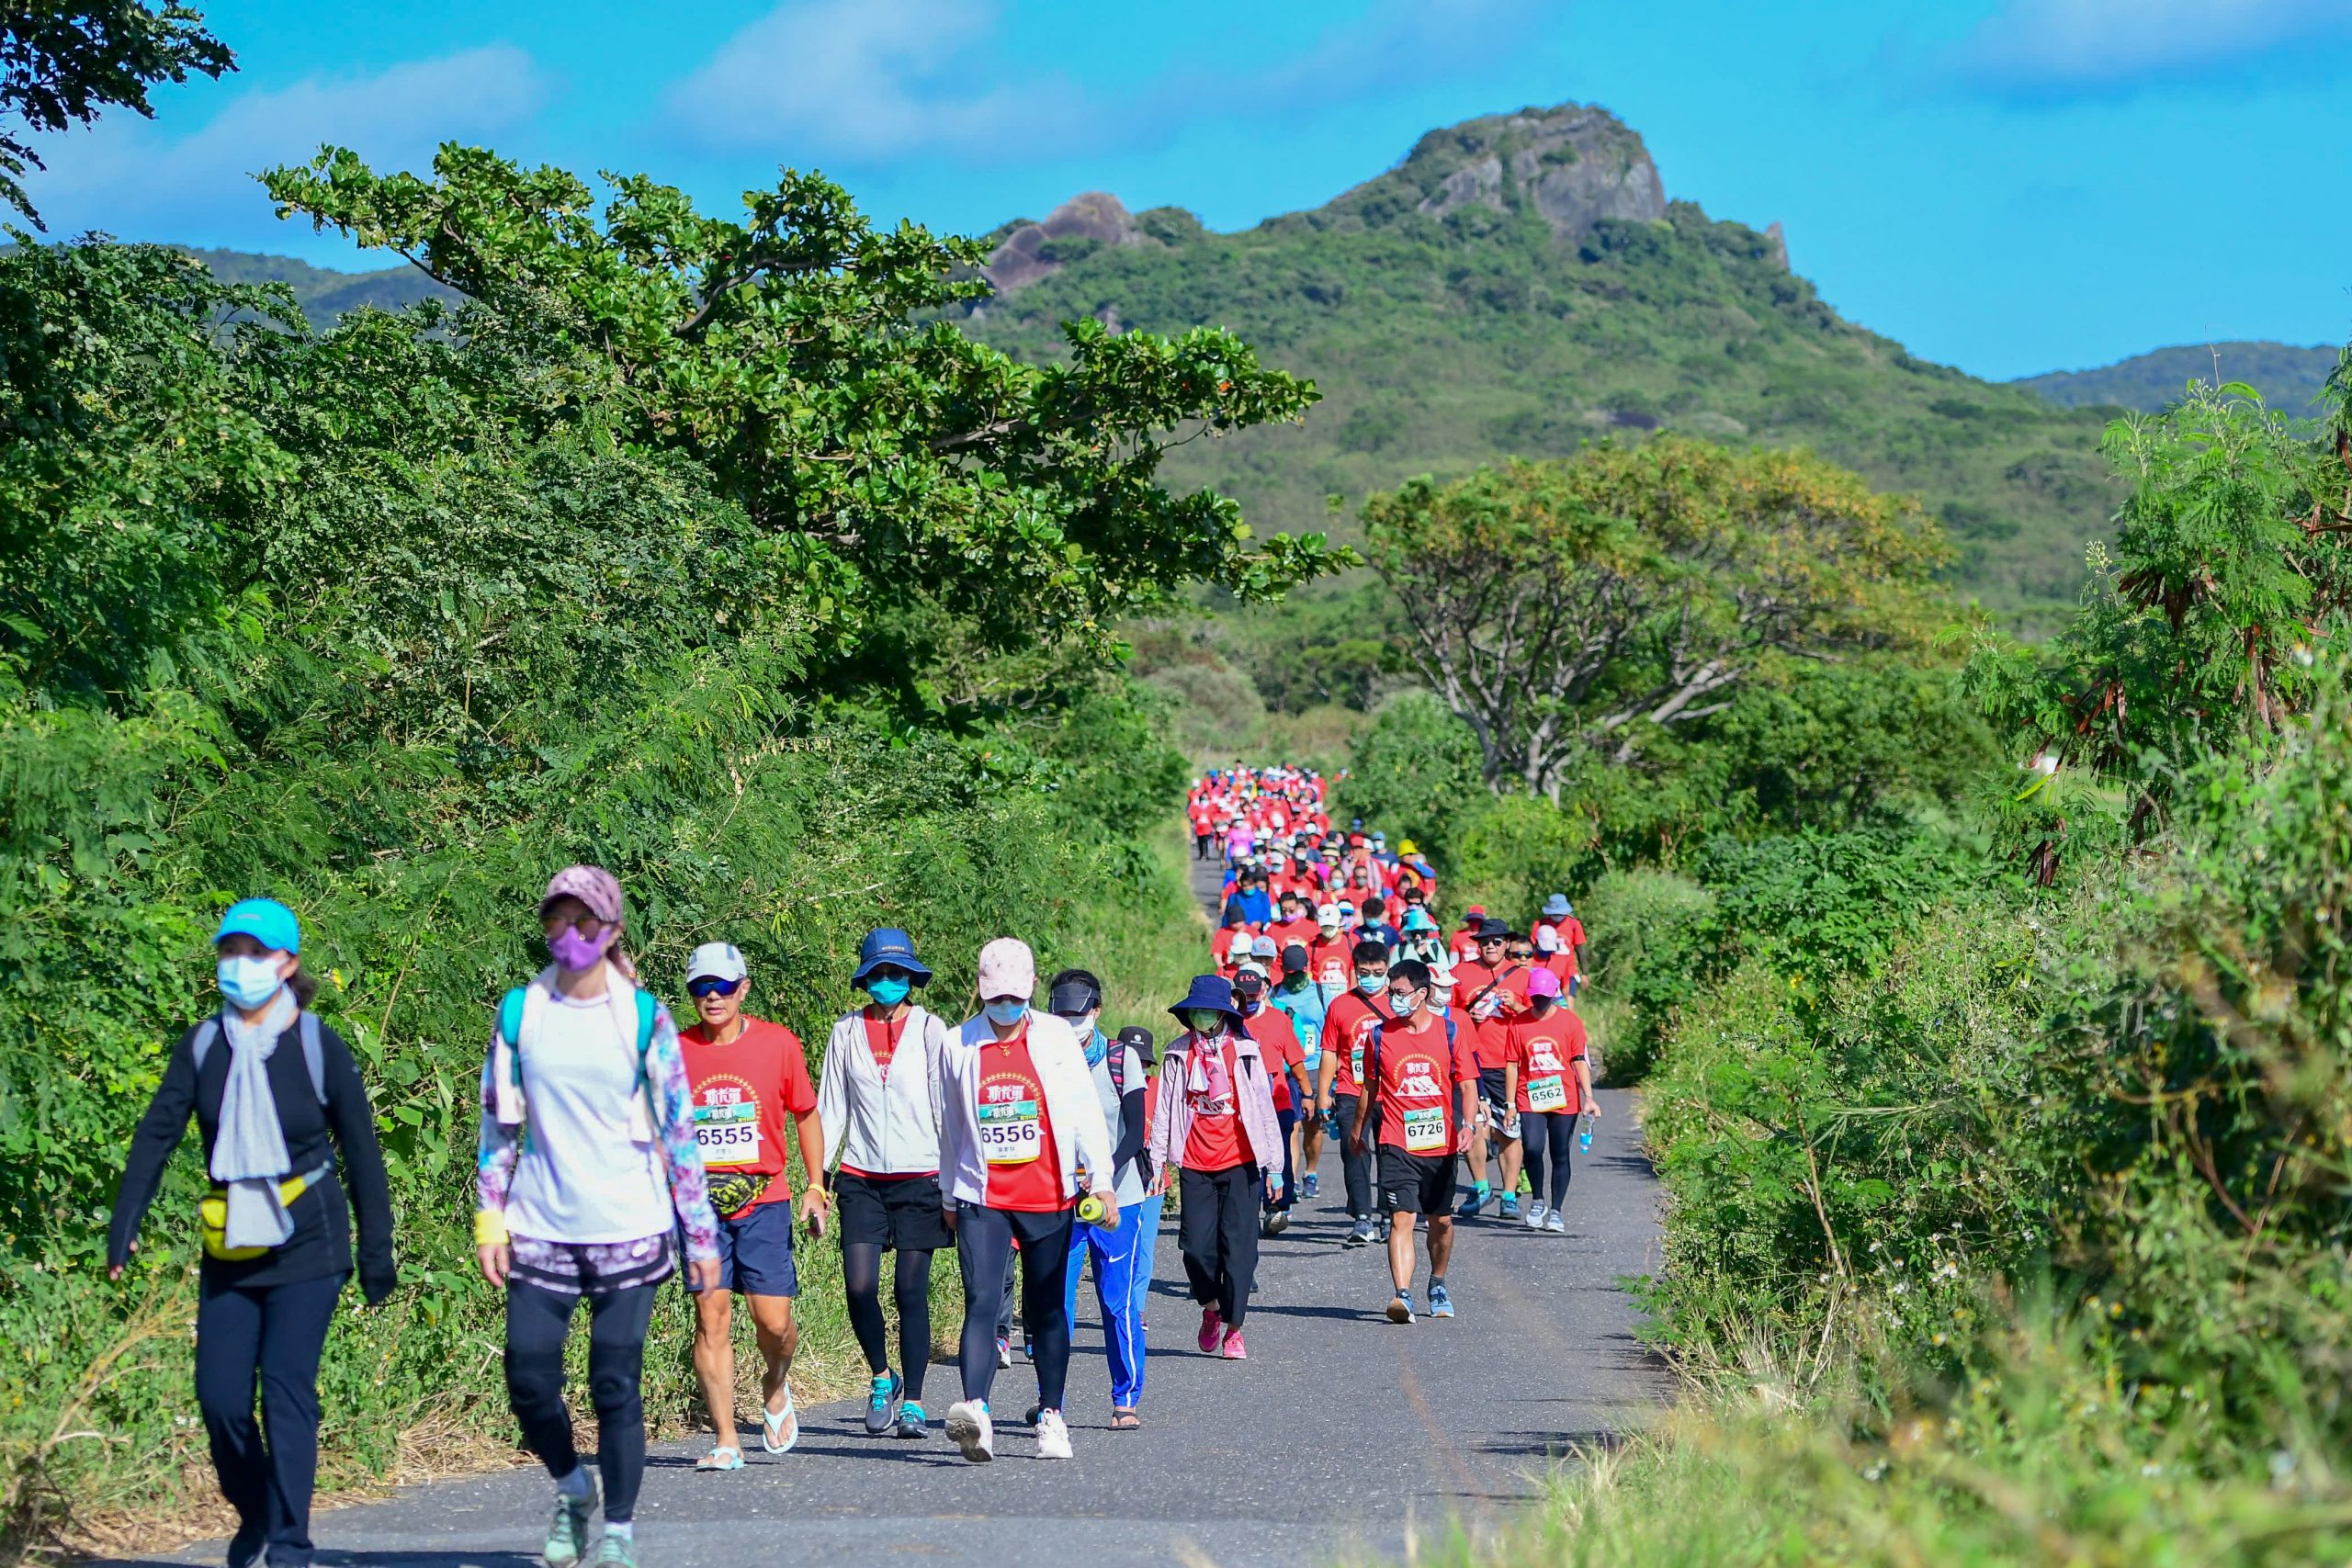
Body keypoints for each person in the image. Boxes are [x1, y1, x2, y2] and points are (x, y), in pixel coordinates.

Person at [108, 898, 396, 1568]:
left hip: (309, 1236)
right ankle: (256, 1509)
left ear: (288, 963)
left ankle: (291, 1543)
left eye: (255, 953)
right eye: (229, 952)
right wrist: (126, 1223)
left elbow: (361, 1154)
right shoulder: (204, 1044)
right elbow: (158, 1134)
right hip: (232, 1238)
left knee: (287, 1384)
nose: (239, 965)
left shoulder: (317, 1045)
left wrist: (377, 1253)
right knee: (219, 1397)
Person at [475, 866, 719, 1568]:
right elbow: (499, 1126)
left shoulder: (643, 1017)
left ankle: (617, 1528)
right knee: (528, 1377)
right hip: (541, 1226)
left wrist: (700, 1239)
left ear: (611, 930)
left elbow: (680, 1134)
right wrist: (490, 1217)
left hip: (629, 1229)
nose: (571, 935)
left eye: (586, 923)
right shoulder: (522, 1012)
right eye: (558, 921)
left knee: (615, 1381)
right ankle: (572, 1486)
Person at [938, 938, 1115, 1463]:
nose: (1005, 1009)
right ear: (981, 992)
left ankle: (1051, 1415)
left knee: (1045, 1308)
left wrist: (1101, 1181)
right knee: (983, 1300)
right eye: (995, 999)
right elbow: (948, 1127)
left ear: (1032, 990)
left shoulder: (1058, 1037)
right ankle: (977, 1413)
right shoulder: (956, 1045)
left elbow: (1086, 1113)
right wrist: (949, 1192)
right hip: (982, 1195)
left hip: (1048, 1193)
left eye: (1015, 998)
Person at [674, 942, 826, 1472]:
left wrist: (815, 1185)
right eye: (700, 987)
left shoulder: (777, 1045)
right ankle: (726, 1438)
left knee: (775, 1323)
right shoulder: (674, 1051)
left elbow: (805, 1113)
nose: (711, 996)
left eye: (721, 986)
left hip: (764, 1198)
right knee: (710, 1316)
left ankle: (775, 1383)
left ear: (743, 988)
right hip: (700, 1206)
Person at [818, 928, 953, 1442]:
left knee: (910, 1291)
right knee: (860, 1286)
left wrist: (955, 1179)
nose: (888, 982)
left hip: (921, 1177)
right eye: (878, 974)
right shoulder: (845, 1031)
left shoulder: (931, 1031)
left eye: (897, 973)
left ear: (911, 978)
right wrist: (819, 1179)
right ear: (866, 979)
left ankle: (914, 1401)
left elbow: (947, 1107)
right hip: (861, 1177)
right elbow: (832, 1108)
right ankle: (881, 1376)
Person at [1148, 976, 1283, 1359]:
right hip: (1194, 1162)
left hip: (1241, 1163)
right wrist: (1158, 1162)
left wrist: (1275, 1165)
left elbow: (1263, 1107)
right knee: (1195, 1248)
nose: (1201, 1016)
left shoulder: (1245, 1050)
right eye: (1196, 1010)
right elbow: (1163, 1112)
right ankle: (1211, 1308)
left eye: (1208, 1010)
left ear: (1224, 1013)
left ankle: (1235, 1330)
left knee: (1239, 1251)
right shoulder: (1178, 1053)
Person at [1047, 971, 1152, 1427]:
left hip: (1118, 1198)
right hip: (1059, 1199)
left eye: (1079, 1013)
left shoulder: (1120, 1058)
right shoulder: (1043, 1058)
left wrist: (1101, 1174)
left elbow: (1134, 1131)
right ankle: (1052, 1402)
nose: (1071, 1021)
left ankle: (1125, 1397)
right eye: (1062, 1013)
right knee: (1055, 1304)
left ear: (1097, 1010)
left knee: (1116, 1302)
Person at [1350, 958, 1477, 1324]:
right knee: (1401, 1218)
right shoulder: (1378, 1035)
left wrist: (1468, 1124)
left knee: (1441, 1222)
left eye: (1400, 992)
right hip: (1396, 1139)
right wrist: (1358, 1130)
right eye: (1391, 992)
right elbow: (1370, 1087)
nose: (1393, 998)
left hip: (1440, 1144)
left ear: (1423, 994)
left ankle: (1437, 1282)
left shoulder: (1451, 1032)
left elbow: (1467, 1084)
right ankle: (1401, 1295)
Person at [1452, 919, 1530, 1221]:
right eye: (1485, 941)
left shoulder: (1523, 977)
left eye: (1497, 941)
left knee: (1510, 1132)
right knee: (1472, 1128)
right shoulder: (1461, 972)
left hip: (1509, 1065)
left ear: (1507, 943)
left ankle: (1509, 1195)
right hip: (1470, 1062)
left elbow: (1540, 1017)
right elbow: (1446, 1011)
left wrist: (1518, 1008)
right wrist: (1466, 1014)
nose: (1490, 946)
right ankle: (1481, 1186)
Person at [1317, 940, 1393, 1246]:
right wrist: (1324, 1094)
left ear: (1388, 970)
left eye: (1378, 972)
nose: (1371, 977)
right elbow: (1330, 1053)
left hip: (1392, 1093)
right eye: (1365, 972)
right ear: (1354, 971)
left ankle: (1390, 1215)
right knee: (1355, 1151)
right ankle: (1363, 1218)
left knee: (1392, 1155)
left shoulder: (1398, 1002)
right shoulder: (1340, 1005)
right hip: (1352, 1089)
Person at [1510, 967, 1594, 1232]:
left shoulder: (1570, 1023)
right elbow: (1512, 1063)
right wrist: (1510, 1105)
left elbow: (1579, 1061)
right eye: (1535, 998)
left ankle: (1556, 1210)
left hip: (1564, 1098)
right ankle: (1537, 1200)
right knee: (1532, 1148)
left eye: (1544, 998)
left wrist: (1589, 1097)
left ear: (1554, 994)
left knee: (1560, 1154)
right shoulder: (1518, 1023)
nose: (1540, 1003)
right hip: (1529, 1097)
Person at [1233, 965, 1305, 1237]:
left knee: (1279, 1154)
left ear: (1265, 989)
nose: (1250, 1000)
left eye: (1254, 994)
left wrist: (1308, 1094)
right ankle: (1249, 1208)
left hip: (1277, 1098)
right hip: (1241, 1103)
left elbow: (1296, 1060)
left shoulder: (1280, 1019)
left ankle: (1276, 1206)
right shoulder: (1228, 1020)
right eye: (1244, 996)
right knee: (1247, 1157)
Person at [1267, 944, 1329, 1201]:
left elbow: (1331, 1034)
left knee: (1313, 1126)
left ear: (1307, 970)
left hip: (1314, 1065)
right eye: (1288, 973)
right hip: (1288, 1069)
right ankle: (1289, 1184)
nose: (1292, 979)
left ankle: (1311, 1172)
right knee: (1290, 1127)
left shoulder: (1321, 993)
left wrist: (1330, 1080)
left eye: (1297, 974)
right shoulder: (1275, 993)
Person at [1538, 894, 1589, 998]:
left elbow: (1580, 950)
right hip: (1547, 972)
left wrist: (1585, 973)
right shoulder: (1542, 924)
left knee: (1568, 1004)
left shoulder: (1574, 924)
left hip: (1569, 971)